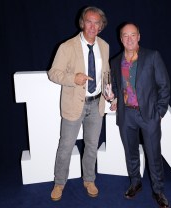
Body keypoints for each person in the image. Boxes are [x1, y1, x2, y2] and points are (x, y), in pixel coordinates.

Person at [48, 6, 111, 201]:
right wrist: (73, 78)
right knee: (66, 146)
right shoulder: (67, 47)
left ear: (101, 26)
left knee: (92, 145)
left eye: (97, 23)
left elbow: (106, 75)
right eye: (89, 21)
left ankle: (89, 180)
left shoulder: (105, 46)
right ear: (82, 23)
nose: (93, 26)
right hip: (74, 105)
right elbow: (53, 73)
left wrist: (110, 94)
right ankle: (59, 183)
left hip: (97, 104)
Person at [110, 23, 170, 208]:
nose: (129, 39)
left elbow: (164, 85)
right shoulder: (115, 61)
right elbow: (115, 86)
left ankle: (158, 190)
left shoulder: (152, 56)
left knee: (153, 155)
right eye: (125, 35)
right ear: (120, 39)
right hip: (126, 114)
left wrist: (159, 111)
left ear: (139, 37)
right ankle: (135, 183)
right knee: (131, 153)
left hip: (149, 115)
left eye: (133, 35)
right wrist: (114, 98)